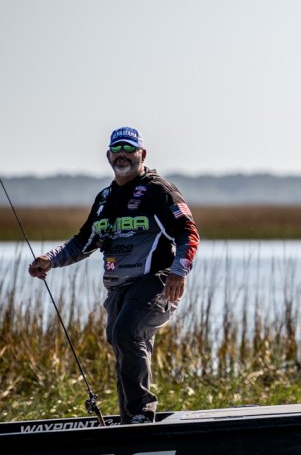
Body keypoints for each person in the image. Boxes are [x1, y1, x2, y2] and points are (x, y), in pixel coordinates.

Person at [28, 127, 199, 423]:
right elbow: (83, 241)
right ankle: (128, 423)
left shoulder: (159, 190)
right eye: (116, 149)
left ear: (142, 154)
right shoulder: (105, 198)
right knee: (121, 344)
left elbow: (188, 232)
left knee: (126, 333)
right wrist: (50, 259)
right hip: (117, 289)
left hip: (155, 282)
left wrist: (179, 272)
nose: (122, 154)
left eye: (129, 149)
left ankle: (141, 413)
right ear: (108, 155)